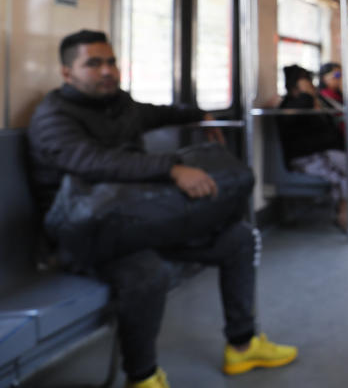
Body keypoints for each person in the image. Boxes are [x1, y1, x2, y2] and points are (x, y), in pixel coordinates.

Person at [27, 30, 296, 388]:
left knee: (239, 238)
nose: (107, 70)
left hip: (139, 219)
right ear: (67, 73)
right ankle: (142, 377)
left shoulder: (118, 105)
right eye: (93, 63)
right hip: (85, 232)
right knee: (148, 272)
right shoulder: (52, 118)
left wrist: (199, 114)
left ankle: (243, 344)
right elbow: (93, 162)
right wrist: (170, 167)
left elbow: (157, 114)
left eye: (110, 61)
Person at [278, 64, 348, 234]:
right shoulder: (293, 105)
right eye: (307, 83)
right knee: (346, 170)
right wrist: (307, 95)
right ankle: (344, 215)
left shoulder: (315, 101)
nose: (312, 86)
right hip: (306, 158)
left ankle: (344, 212)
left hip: (322, 153)